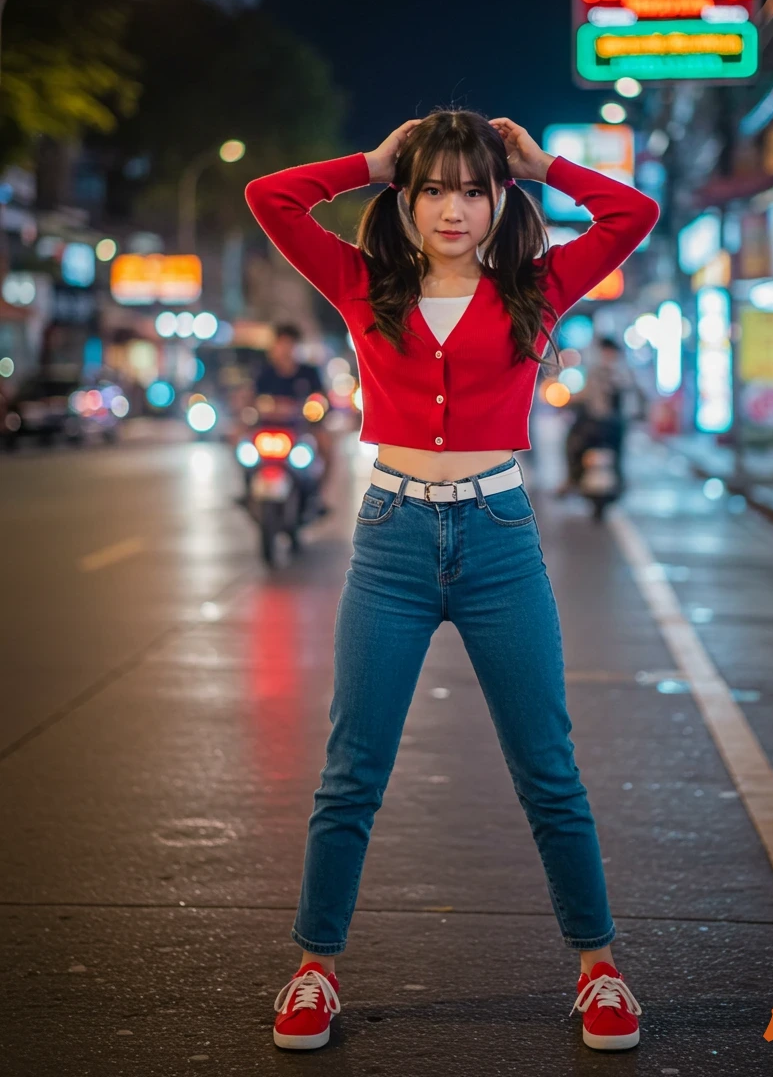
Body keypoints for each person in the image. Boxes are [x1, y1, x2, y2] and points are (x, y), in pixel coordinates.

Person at [245, 109, 658, 1053]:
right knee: (351, 772)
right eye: (433, 187)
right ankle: (315, 970)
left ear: (501, 197)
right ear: (405, 197)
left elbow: (633, 215)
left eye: (475, 188)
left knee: (547, 769)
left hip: (498, 538)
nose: (454, 208)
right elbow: (268, 198)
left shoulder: (538, 287)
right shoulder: (362, 284)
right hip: (390, 541)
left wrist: (545, 162)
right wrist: (370, 160)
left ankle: (600, 973)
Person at [247, 323, 334, 507]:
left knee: (326, 446)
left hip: (301, 428)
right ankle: (247, 490)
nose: (285, 349)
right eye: (281, 344)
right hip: (268, 428)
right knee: (242, 446)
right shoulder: (264, 372)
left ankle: (316, 495)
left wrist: (311, 409)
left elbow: (321, 399)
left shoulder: (308, 373)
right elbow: (252, 400)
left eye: (289, 344)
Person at [558, 335, 638, 497]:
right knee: (619, 455)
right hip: (616, 427)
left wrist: (568, 401)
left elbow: (584, 396)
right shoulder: (626, 372)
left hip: (595, 426)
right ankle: (620, 481)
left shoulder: (596, 371)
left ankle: (572, 479)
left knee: (572, 444)